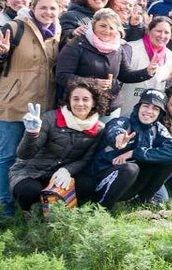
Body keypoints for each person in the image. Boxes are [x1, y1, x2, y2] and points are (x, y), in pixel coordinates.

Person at [0, 0, 64, 213]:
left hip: (42, 107)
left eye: (52, 8)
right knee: (7, 156)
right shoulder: (15, 28)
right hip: (12, 103)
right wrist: (2, 53)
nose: (47, 12)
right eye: (42, 7)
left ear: (59, 10)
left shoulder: (57, 32)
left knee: (32, 158)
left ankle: (27, 206)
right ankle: (4, 206)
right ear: (33, 8)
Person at [10, 80, 105, 211]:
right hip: (31, 170)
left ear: (93, 102)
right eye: (75, 99)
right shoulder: (51, 118)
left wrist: (67, 170)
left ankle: (59, 211)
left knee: (88, 185)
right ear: (69, 101)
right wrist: (31, 133)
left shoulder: (98, 129)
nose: (80, 104)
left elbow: (85, 160)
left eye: (85, 99)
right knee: (29, 191)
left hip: (61, 173)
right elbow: (24, 155)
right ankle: (31, 213)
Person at [90, 89, 172, 209]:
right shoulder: (124, 121)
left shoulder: (158, 128)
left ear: (160, 113)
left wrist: (133, 153)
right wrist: (119, 137)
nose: (149, 111)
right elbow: (114, 128)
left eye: (155, 109)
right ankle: (101, 208)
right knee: (131, 168)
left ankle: (140, 203)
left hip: (132, 183)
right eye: (146, 106)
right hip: (104, 180)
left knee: (169, 162)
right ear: (138, 107)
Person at [53, 7, 152, 104]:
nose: (107, 31)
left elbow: (125, 75)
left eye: (111, 28)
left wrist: (147, 72)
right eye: (103, 26)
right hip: (81, 105)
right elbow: (62, 76)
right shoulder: (76, 45)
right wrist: (92, 83)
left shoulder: (117, 48)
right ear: (93, 25)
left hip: (109, 105)